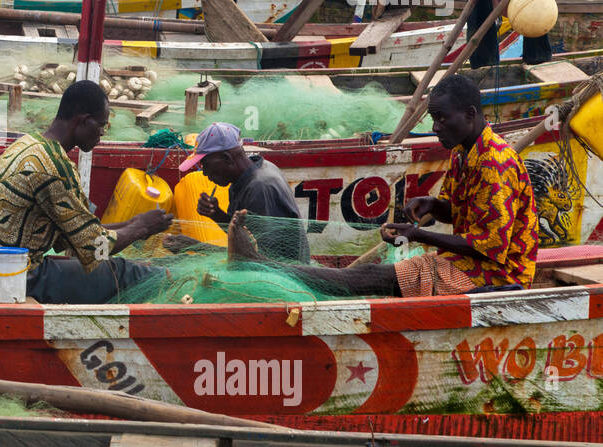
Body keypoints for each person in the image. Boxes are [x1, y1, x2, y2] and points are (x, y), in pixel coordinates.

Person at [229, 75, 538, 298]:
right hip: (469, 264)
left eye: (442, 118)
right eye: (434, 119)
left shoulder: (495, 164)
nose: (435, 128)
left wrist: (415, 234)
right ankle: (262, 265)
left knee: (364, 278)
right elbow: (457, 213)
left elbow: (489, 250)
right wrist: (432, 204)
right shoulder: (462, 151)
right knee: (368, 277)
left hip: (498, 277)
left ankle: (261, 266)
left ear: (470, 114)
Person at [0, 80, 171, 303]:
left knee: (80, 265)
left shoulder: (29, 145)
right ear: (84, 121)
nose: (102, 133)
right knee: (126, 272)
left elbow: (75, 235)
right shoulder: (54, 168)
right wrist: (142, 227)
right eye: (101, 125)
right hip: (9, 278)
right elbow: (95, 248)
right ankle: (175, 288)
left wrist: (130, 224)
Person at [170, 121, 310, 263]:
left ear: (227, 158)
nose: (204, 173)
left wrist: (199, 247)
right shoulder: (249, 174)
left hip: (285, 275)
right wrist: (217, 214)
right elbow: (245, 236)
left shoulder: (259, 188)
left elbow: (264, 260)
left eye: (206, 165)